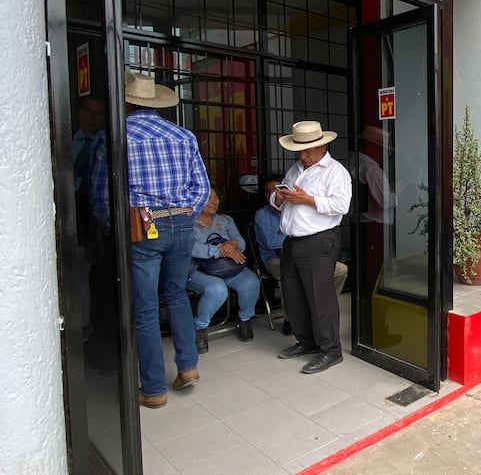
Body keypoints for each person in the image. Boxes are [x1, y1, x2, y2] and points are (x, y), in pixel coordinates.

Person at [91, 71, 210, 409]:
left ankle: (155, 388)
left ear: (126, 101)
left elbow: (102, 195)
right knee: (176, 295)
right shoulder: (183, 135)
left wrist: (110, 225)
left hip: (140, 226)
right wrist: (184, 215)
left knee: (144, 307)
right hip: (182, 223)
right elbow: (200, 188)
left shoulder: (113, 136)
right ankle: (187, 367)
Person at [271, 121, 352, 374]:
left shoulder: (335, 171)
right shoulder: (296, 169)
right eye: (299, 150)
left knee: (320, 298)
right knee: (293, 295)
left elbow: (341, 206)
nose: (302, 155)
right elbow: (277, 203)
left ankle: (330, 350)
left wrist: (307, 199)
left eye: (306, 150)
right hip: (292, 239)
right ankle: (306, 341)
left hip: (319, 240)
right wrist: (279, 196)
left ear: (322, 146)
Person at [255, 174, 347, 335]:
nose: (272, 194)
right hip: (274, 258)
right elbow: (270, 242)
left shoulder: (296, 208)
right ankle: (291, 319)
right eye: (267, 191)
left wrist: (290, 233)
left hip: (305, 254)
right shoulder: (262, 215)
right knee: (290, 273)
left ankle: (320, 308)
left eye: (275, 190)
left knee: (341, 270)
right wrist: (294, 233)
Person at [188, 187, 260, 353]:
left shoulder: (225, 220)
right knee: (217, 289)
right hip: (197, 269)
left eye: (216, 197)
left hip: (224, 267)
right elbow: (192, 249)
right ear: (196, 201)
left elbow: (241, 243)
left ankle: (245, 319)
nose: (215, 201)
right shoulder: (187, 222)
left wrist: (233, 244)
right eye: (209, 198)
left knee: (251, 282)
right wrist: (222, 249)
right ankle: (200, 328)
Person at [72, 96, 106, 340]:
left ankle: (87, 326)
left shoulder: (104, 143)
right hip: (66, 209)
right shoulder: (65, 137)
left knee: (88, 270)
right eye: (87, 111)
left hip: (91, 216)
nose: (91, 117)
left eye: (98, 113)